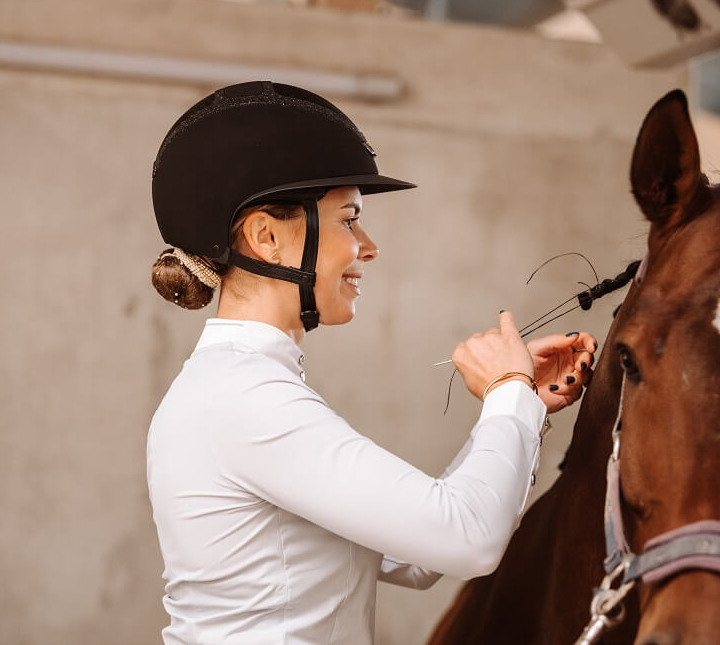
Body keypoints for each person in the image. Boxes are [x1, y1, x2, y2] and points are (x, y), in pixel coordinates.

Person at [147, 80, 596, 645]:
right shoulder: (244, 400)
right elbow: (469, 541)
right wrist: (507, 392)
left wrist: (522, 403)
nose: (368, 245)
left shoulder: (238, 390)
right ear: (266, 237)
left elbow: (420, 554)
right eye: (348, 219)